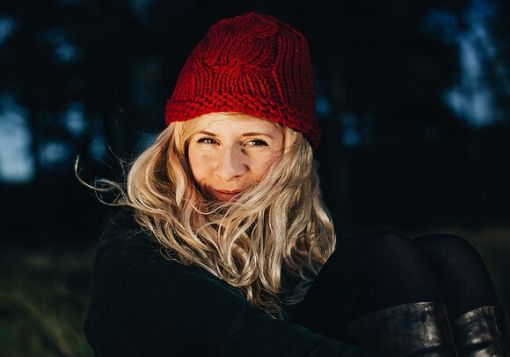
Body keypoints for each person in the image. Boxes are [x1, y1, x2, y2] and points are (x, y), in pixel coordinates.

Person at [81, 12, 509, 356]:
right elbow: (244, 341)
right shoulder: (134, 247)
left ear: (291, 155)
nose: (229, 168)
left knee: (448, 255)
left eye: (255, 141)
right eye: (208, 140)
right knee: (385, 257)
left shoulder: (284, 243)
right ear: (177, 146)